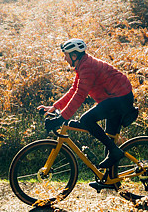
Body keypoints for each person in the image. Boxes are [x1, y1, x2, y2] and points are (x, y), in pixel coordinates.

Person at [38, 38, 139, 174]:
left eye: (66, 55)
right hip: (115, 98)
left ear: (74, 56)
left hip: (120, 99)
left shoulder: (87, 67)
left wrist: (61, 118)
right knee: (109, 140)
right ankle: (109, 180)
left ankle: (115, 152)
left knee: (87, 120)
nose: (64, 59)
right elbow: (74, 90)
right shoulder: (83, 65)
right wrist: (55, 107)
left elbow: (80, 95)